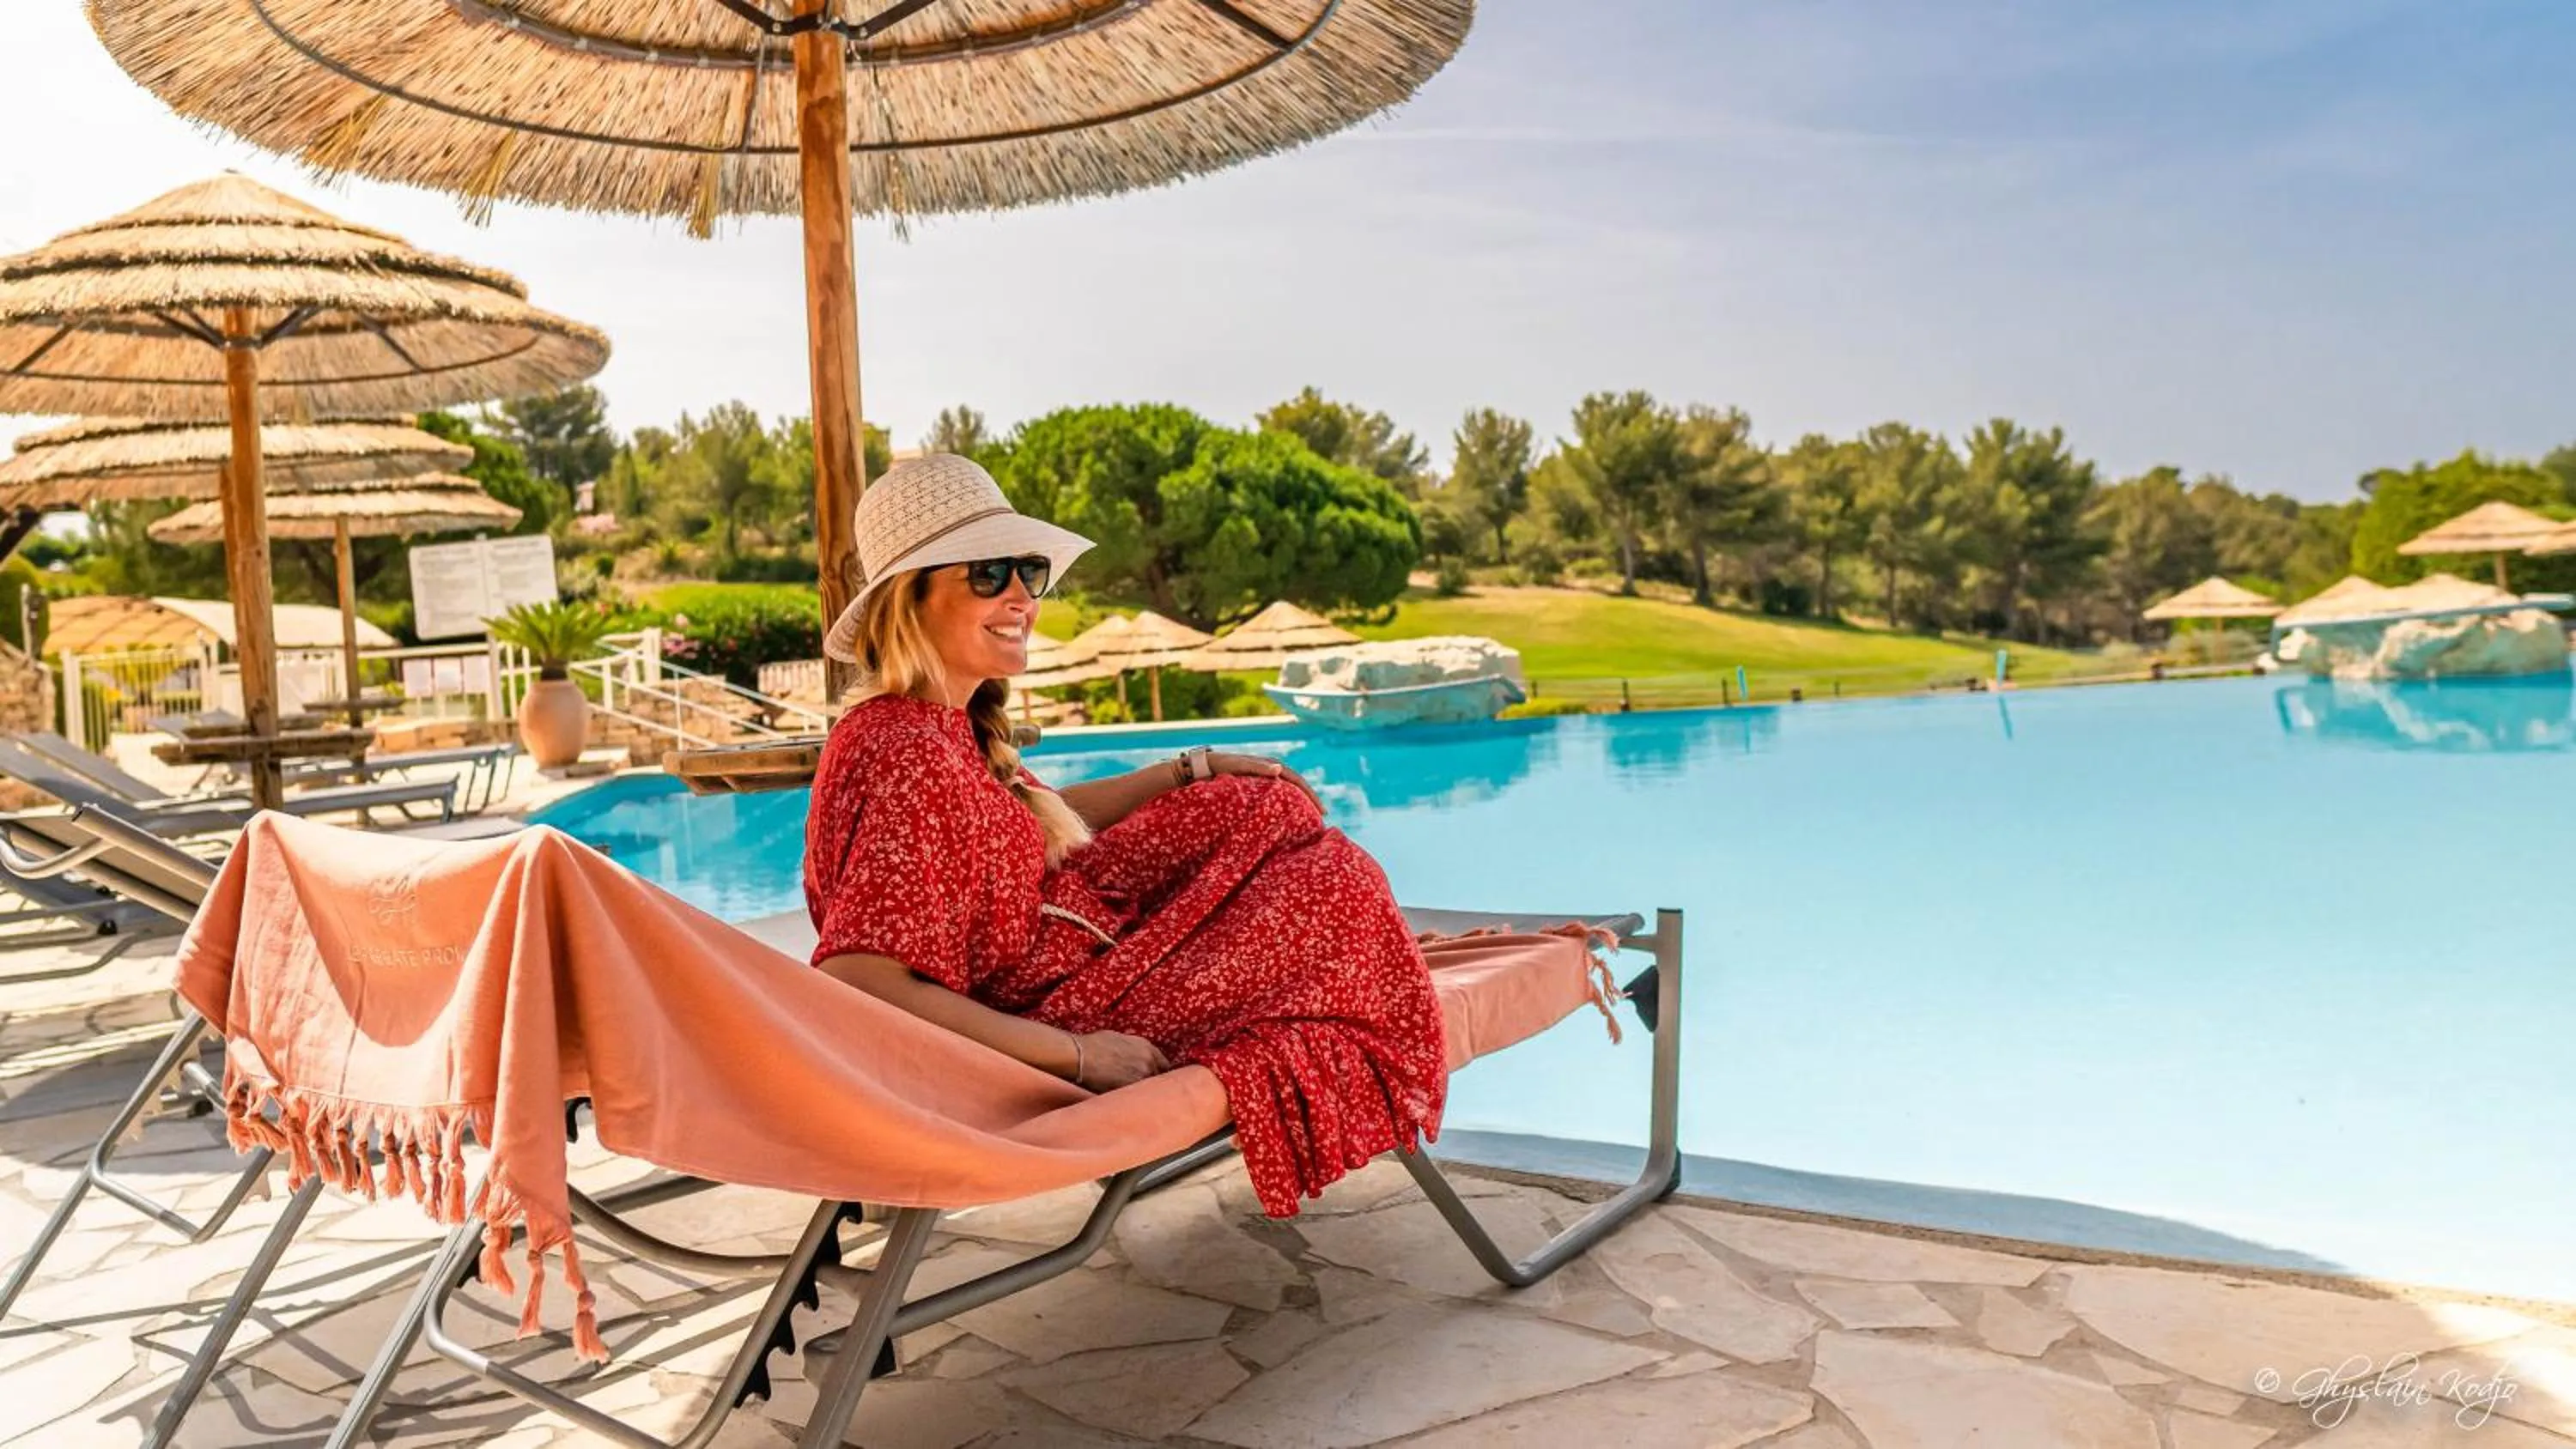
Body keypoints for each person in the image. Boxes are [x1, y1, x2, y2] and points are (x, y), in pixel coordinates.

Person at [803, 454, 1446, 1216]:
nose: (1021, 597)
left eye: (1028, 571)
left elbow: (1023, 823)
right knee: (1334, 886)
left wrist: (1193, 769)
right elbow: (858, 981)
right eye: (988, 574)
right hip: (1043, 1015)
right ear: (906, 601)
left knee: (1256, 806)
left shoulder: (942, 728)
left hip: (1077, 963)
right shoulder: (900, 749)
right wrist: (1079, 1054)